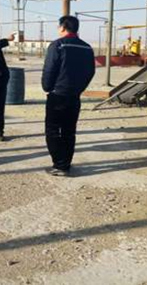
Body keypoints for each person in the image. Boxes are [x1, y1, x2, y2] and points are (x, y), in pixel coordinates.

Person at [42, 15, 95, 176]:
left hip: (58, 95)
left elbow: (49, 69)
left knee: (52, 130)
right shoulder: (87, 48)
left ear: (63, 27)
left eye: (59, 26)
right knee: (69, 131)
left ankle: (60, 165)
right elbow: (90, 72)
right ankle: (66, 163)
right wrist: (79, 88)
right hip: (74, 96)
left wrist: (47, 87)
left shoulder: (58, 45)